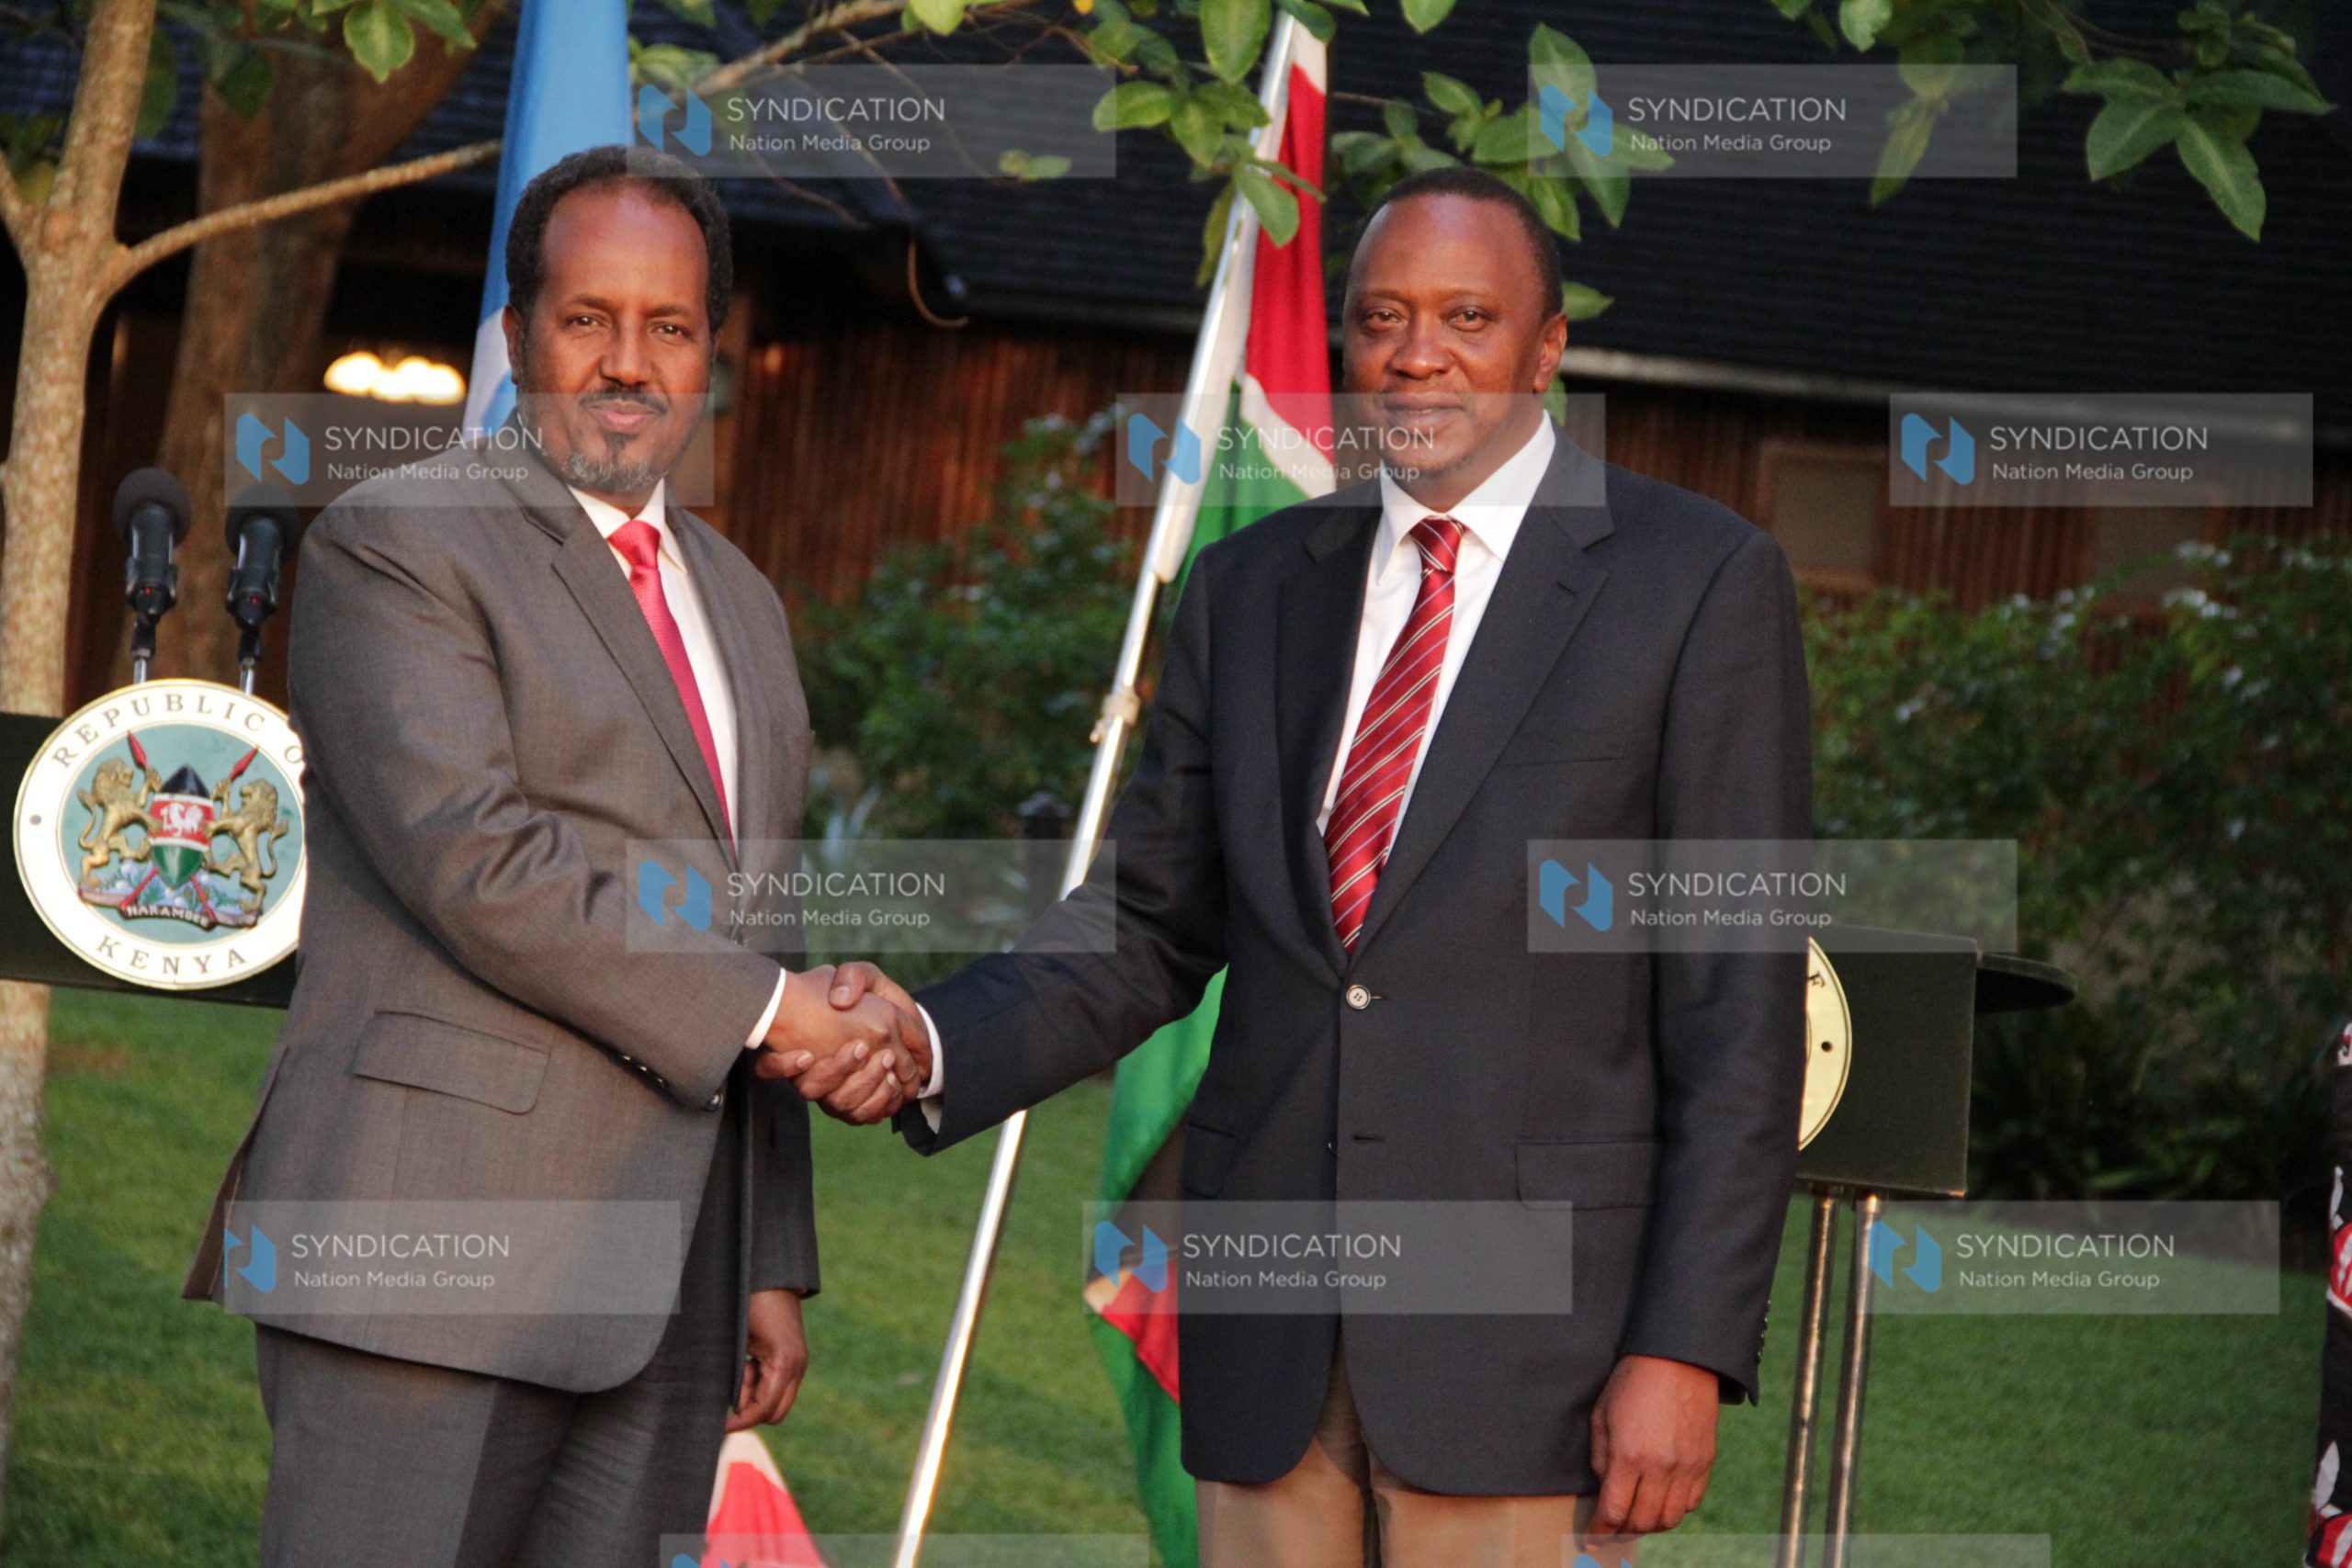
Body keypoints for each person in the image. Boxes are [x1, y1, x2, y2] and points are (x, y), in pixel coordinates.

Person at [800, 165, 1814, 1566]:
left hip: (1531, 1356)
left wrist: (1684, 1349)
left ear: (1547, 345)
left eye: (1468, 315)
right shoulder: (1254, 587)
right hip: (1268, 1328)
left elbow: (1737, 1009)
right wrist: (922, 1037)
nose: (1417, 353)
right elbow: (1150, 919)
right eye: (1380, 315)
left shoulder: (1699, 582)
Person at [181, 145, 925, 1568]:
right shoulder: (398, 541)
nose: (627, 364)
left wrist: (763, 1258)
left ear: (715, 349)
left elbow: (756, 919)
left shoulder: (743, 604)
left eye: (669, 326)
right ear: (517, 336)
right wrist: (781, 1018)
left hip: (666, 1287)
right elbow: (478, 857)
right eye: (588, 320)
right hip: (425, 1267)